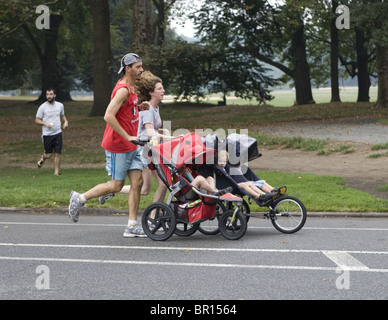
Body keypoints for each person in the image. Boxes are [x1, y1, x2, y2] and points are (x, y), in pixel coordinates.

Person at [68, 53, 149, 238]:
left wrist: (138, 108)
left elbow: (124, 111)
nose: (141, 69)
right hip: (118, 145)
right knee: (115, 186)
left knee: (137, 182)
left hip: (132, 143)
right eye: (138, 67)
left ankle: (131, 225)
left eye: (141, 66)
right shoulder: (123, 89)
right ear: (128, 69)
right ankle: (79, 198)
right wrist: (127, 136)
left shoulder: (133, 86)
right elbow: (108, 115)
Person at [98, 71, 174, 205]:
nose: (163, 90)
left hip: (150, 149)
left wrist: (165, 132)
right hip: (144, 150)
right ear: (151, 92)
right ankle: (152, 218)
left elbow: (150, 129)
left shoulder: (153, 107)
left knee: (149, 188)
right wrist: (172, 138)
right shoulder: (148, 108)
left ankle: (153, 217)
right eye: (160, 88)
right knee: (156, 186)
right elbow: (150, 133)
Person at [35, 88, 69, 176]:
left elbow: (62, 115)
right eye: (47, 94)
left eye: (50, 94)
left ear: (55, 95)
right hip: (47, 135)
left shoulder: (60, 105)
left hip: (58, 133)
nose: (49, 96)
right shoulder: (42, 107)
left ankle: (56, 172)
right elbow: (37, 120)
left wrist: (65, 122)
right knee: (49, 155)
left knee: (58, 153)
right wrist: (45, 123)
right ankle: (43, 157)